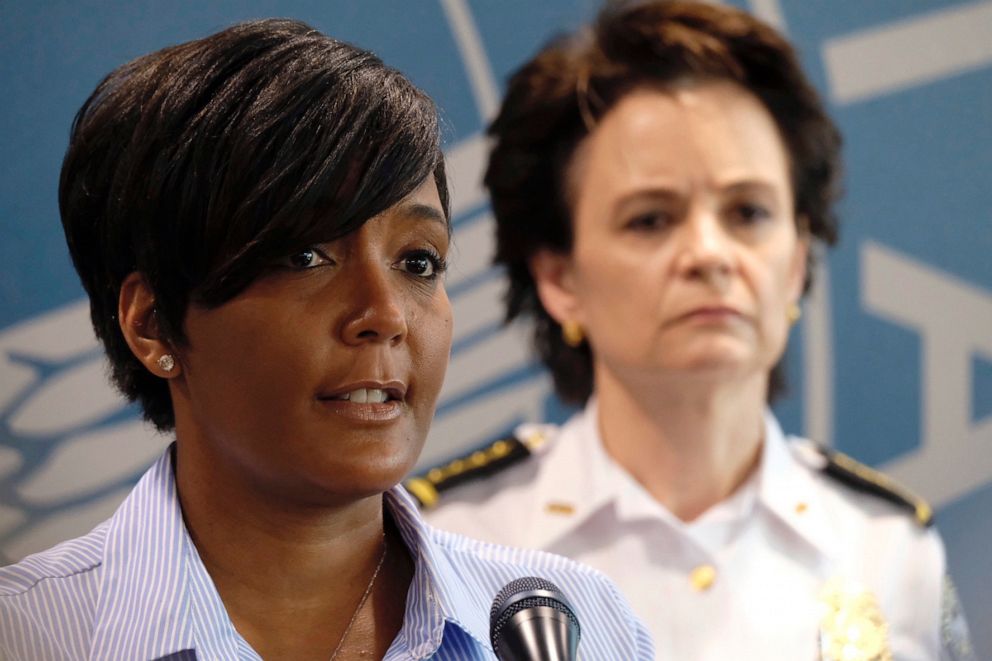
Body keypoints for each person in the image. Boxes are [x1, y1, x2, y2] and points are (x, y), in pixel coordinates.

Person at [0, 19, 654, 660]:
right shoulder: (26, 634)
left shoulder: (577, 629)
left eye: (418, 261)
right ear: (152, 323)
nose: (385, 312)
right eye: (306, 256)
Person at [413, 2, 975, 659]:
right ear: (559, 278)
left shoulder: (890, 547)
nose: (709, 253)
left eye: (748, 212)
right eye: (651, 219)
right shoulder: (451, 541)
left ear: (796, 262)